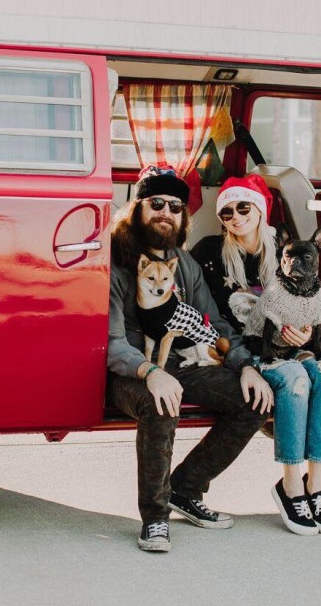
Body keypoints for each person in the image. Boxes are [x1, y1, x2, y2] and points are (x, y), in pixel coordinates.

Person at [108, 166, 273, 552]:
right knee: (160, 402)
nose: (167, 212)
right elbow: (112, 341)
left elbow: (213, 323)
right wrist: (149, 371)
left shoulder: (185, 264)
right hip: (130, 368)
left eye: (176, 207)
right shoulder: (116, 262)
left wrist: (246, 366)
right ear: (137, 208)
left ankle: (186, 487)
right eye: (157, 203)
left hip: (181, 361)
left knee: (255, 401)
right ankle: (155, 517)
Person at [191, 175, 321, 536]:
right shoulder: (210, 252)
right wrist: (241, 360)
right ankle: (290, 485)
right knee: (294, 380)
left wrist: (305, 333)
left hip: (292, 344)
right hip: (244, 349)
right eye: (226, 211)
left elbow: (307, 304)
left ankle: (315, 485)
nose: (235, 217)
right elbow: (206, 316)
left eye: (244, 207)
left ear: (260, 210)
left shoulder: (286, 251)